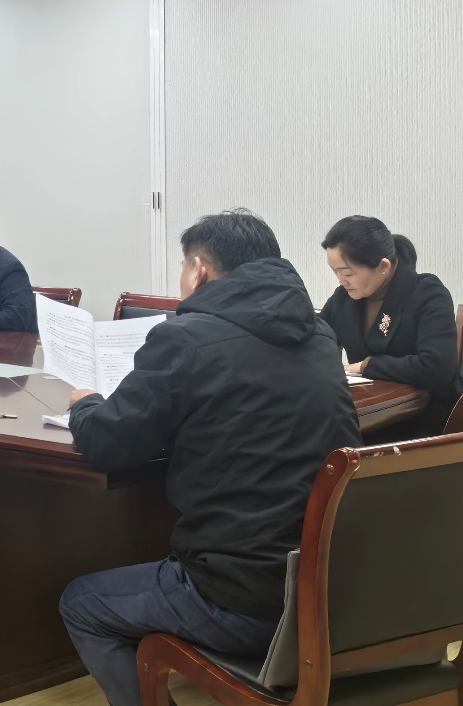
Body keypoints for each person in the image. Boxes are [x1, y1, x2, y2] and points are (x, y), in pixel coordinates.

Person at [58, 210, 363, 706]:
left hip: (243, 598)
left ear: (198, 270)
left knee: (82, 603)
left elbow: (107, 442)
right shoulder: (320, 335)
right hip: (329, 584)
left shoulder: (185, 338)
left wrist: (85, 404)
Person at [320, 215, 461, 437]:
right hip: (368, 415)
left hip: (422, 424)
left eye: (347, 273)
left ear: (383, 266)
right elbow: (317, 337)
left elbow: (436, 367)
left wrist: (366, 366)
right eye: (334, 271)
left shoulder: (428, 294)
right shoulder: (344, 299)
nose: (340, 280)